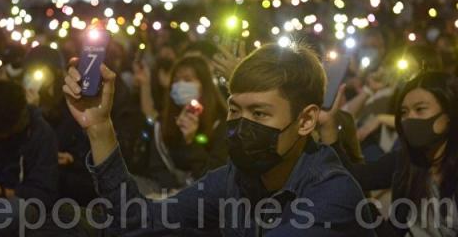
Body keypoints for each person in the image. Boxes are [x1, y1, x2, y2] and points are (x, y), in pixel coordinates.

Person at [63, 43, 374, 236]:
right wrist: (100, 128)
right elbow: (137, 220)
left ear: (305, 120)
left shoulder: (334, 193)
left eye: (260, 114)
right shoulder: (233, 181)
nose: (242, 126)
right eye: (235, 110)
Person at [322, 71, 458, 236]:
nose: (410, 118)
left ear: (449, 114)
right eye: (404, 112)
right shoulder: (404, 161)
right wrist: (328, 129)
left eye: (420, 109)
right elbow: (352, 176)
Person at [135, 55, 228, 190]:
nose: (179, 85)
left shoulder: (221, 123)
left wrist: (192, 142)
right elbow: (157, 168)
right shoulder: (164, 123)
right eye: (176, 80)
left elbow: (215, 180)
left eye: (187, 79)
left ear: (205, 85)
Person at [0, 81, 58, 236]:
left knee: (16, 212)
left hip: (6, 203)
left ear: (5, 133)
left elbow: (44, 196)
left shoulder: (40, 135)